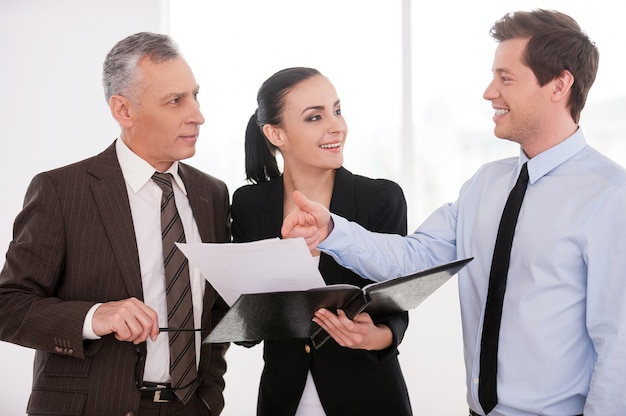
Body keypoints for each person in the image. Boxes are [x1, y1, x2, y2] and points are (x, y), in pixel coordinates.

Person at [282, 9, 626, 416]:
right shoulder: (485, 184)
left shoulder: (609, 196)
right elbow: (412, 259)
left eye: (506, 78)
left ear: (559, 84)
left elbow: (619, 347)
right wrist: (332, 230)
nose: (489, 92)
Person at [0, 32, 230, 416]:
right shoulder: (61, 190)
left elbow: (216, 310)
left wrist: (210, 395)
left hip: (192, 407)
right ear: (124, 110)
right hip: (91, 407)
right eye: (175, 101)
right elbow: (8, 306)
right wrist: (95, 316)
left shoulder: (212, 193)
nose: (197, 115)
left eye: (195, 95)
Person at [231, 67, 412, 415]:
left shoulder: (380, 199)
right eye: (315, 117)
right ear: (276, 134)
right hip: (283, 400)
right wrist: (284, 254)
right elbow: (246, 331)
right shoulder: (249, 204)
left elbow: (397, 306)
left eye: (337, 110)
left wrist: (379, 336)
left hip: (370, 398)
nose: (337, 126)